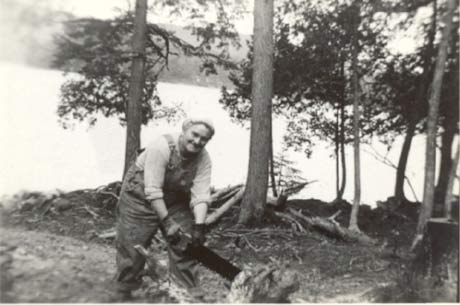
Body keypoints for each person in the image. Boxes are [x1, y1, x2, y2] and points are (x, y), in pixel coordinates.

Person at [113, 118, 214, 299]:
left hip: (173, 200)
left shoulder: (204, 159)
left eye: (204, 139)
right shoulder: (161, 147)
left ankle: (186, 293)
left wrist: (199, 226)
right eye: (195, 135)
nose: (198, 141)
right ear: (184, 131)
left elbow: (201, 195)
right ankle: (123, 290)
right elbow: (152, 190)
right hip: (140, 196)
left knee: (186, 241)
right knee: (133, 246)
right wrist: (167, 222)